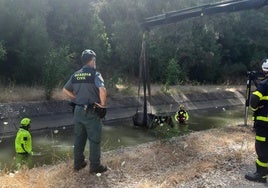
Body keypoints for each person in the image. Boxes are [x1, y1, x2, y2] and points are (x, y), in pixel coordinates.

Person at [63, 49, 107, 174]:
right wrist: (103, 106)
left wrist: (76, 98)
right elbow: (102, 90)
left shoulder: (75, 75)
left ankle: (78, 164)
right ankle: (95, 166)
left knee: (79, 138)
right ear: (92, 60)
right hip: (92, 111)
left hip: (78, 111)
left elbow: (65, 90)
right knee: (94, 139)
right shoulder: (95, 74)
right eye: (95, 60)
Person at [245, 58, 268, 183]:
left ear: (264, 70)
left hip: (264, 125)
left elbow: (254, 99)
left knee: (262, 148)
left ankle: (261, 175)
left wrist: (255, 107)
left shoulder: (264, 84)